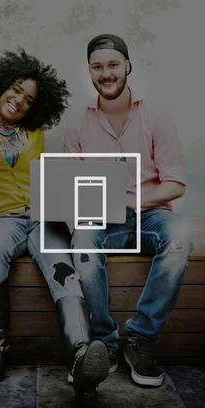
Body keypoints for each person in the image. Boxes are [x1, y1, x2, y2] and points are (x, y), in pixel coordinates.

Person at [0, 49, 109, 405]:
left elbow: (44, 179)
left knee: (65, 273)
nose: (19, 101)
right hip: (3, 220)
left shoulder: (36, 132)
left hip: (42, 217)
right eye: (15, 90)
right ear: (0, 86)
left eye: (28, 100)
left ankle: (80, 354)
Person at [65, 34, 193, 388]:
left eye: (112, 65)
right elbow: (70, 187)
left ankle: (141, 340)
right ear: (89, 71)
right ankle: (104, 342)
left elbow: (176, 185)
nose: (105, 74)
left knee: (181, 236)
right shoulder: (78, 122)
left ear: (127, 67)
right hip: (102, 216)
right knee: (83, 242)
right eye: (97, 67)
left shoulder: (155, 115)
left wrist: (132, 201)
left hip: (150, 214)